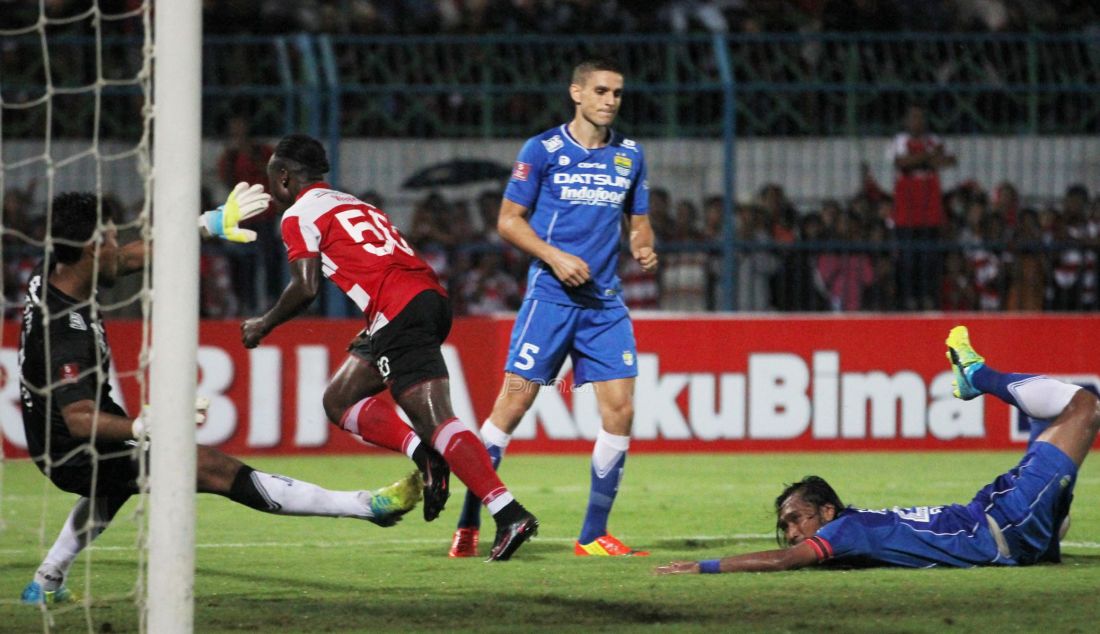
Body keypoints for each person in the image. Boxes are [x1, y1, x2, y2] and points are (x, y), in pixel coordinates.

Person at [19, 190, 422, 605]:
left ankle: (46, 581)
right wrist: (141, 424)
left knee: (118, 481)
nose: (119, 249)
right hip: (73, 447)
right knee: (210, 467)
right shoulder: (66, 329)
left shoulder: (59, 271)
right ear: (91, 248)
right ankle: (367, 506)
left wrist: (205, 225)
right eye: (110, 240)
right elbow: (79, 418)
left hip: (67, 435)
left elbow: (128, 258)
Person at [240, 134, 538, 561]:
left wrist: (262, 324)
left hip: (398, 310)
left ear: (284, 175)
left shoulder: (298, 216)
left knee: (437, 421)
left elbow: (305, 288)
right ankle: (425, 455)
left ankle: (507, 512)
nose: (271, 188)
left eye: (272, 177)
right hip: (425, 298)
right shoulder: (352, 202)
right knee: (338, 400)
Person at [656, 325, 1094, 574]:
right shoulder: (847, 530)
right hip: (1004, 524)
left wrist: (706, 566)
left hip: (994, 513)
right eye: (786, 525)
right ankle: (979, 377)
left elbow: (787, 559)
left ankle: (978, 378)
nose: (791, 532)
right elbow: (791, 556)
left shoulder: (846, 529)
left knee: (1070, 415)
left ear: (827, 511)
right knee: (1082, 407)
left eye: (795, 519)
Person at [448, 58, 658, 558]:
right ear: (577, 94)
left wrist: (643, 245)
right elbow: (508, 221)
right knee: (512, 406)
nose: (611, 100)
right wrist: (555, 256)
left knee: (621, 411)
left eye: (618, 93)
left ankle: (592, 535)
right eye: (602, 91)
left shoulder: (631, 156)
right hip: (551, 299)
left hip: (604, 305)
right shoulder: (541, 150)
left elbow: (640, 220)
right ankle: (469, 521)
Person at [889, 104, 956, 311]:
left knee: (929, 257)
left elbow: (949, 161)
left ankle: (928, 297)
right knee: (908, 258)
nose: (917, 121)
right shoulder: (900, 141)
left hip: (929, 207)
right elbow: (902, 163)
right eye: (913, 117)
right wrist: (928, 157)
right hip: (907, 208)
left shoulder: (934, 140)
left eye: (920, 117)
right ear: (906, 121)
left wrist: (920, 160)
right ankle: (908, 298)